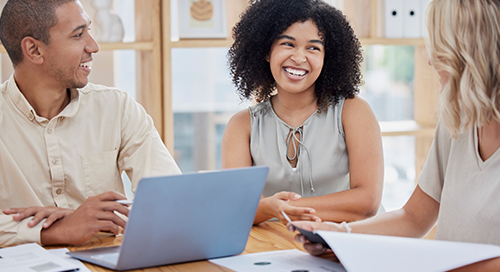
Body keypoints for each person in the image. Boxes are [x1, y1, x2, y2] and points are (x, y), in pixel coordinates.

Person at [290, 0, 500, 270]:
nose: (430, 60)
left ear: (472, 52)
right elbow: (413, 217)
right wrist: (342, 236)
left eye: (442, 47)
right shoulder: (457, 122)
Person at [0, 0, 180, 247]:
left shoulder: (116, 107)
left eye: (89, 30)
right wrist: (58, 231)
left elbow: (171, 197)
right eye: (78, 34)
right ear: (34, 50)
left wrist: (79, 218)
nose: (93, 46)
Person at [221, 0, 384, 225]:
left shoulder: (353, 111)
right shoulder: (242, 126)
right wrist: (266, 209)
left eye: (313, 48)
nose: (299, 58)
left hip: (351, 246)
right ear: (266, 51)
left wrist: (276, 209)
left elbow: (367, 203)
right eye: (288, 44)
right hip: (279, 248)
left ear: (327, 58)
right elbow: (238, 208)